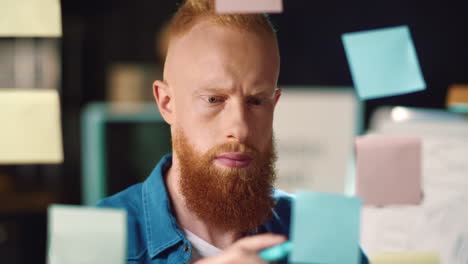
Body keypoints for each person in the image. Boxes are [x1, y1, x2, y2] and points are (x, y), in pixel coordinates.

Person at [98, 0, 369, 263]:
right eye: (214, 100)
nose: (240, 129)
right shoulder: (100, 234)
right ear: (167, 103)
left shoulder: (321, 236)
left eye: (256, 101)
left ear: (273, 104)